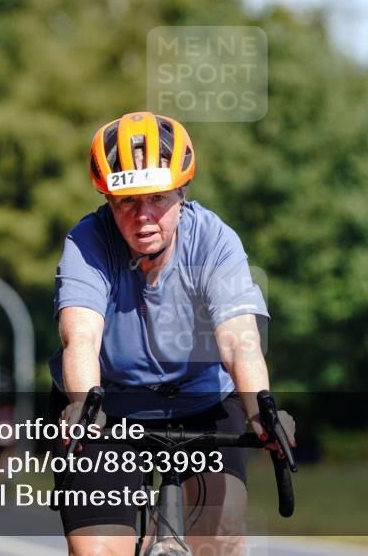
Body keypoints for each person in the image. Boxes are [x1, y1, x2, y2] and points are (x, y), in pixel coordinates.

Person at [49, 111, 296, 556]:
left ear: (182, 192)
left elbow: (239, 341)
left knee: (218, 540)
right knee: (98, 552)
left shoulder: (214, 240)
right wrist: (84, 403)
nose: (143, 216)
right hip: (108, 407)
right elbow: (80, 335)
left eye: (157, 197)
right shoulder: (88, 242)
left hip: (203, 403)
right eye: (126, 201)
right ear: (107, 199)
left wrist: (262, 409)